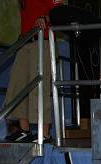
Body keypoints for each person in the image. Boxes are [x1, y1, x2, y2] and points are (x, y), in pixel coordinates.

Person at [5, 0, 62, 143]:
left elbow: (60, 11)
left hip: (44, 40)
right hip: (26, 41)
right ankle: (24, 131)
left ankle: (45, 134)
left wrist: (45, 18)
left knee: (40, 87)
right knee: (18, 85)